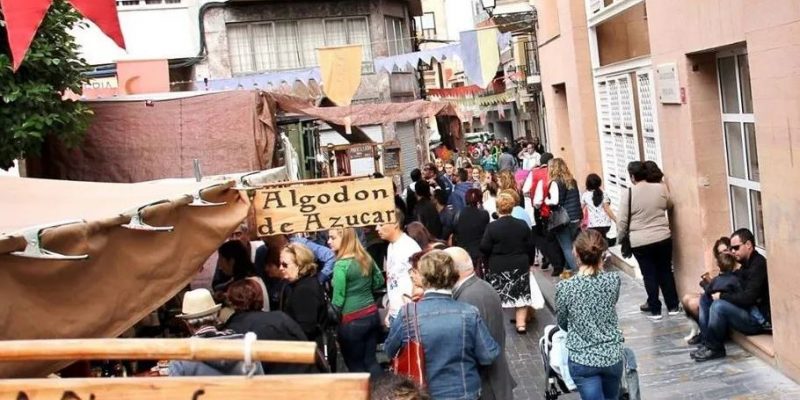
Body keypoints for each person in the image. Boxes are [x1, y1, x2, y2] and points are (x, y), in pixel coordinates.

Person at [384, 251, 500, 400]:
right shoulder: (469, 313)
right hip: (464, 392)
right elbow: (488, 355)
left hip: (422, 393)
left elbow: (389, 350)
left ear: (423, 277)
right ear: (453, 276)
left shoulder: (407, 313)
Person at [555, 230, 623, 400]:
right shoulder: (613, 280)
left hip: (582, 357)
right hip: (611, 354)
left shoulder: (566, 287)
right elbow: (610, 305)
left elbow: (562, 322)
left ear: (576, 253)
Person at [446, 247, 516, 400]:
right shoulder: (480, 287)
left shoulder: (469, 298)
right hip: (493, 381)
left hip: (487, 386)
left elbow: (477, 348)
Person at [692, 228, 770, 362]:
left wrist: (722, 296)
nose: (733, 251)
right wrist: (712, 287)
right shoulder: (745, 264)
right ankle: (707, 343)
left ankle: (716, 349)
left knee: (718, 306)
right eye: (731, 248)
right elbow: (733, 282)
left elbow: (747, 298)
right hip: (747, 312)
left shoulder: (758, 265)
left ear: (748, 245)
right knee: (706, 298)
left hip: (757, 320)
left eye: (735, 248)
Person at [617, 161, 679, 320]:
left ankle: (655, 308)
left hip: (640, 241)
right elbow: (669, 205)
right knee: (666, 270)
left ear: (632, 176)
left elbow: (622, 221)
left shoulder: (628, 193)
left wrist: (621, 238)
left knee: (649, 274)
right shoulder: (660, 188)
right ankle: (673, 305)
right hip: (662, 237)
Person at [327, 227, 384, 377]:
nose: (329, 241)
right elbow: (379, 281)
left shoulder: (341, 265)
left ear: (344, 238)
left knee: (356, 368)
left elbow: (338, 301)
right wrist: (363, 287)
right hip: (372, 314)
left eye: (333, 238)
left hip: (351, 321)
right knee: (371, 361)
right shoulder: (366, 258)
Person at [224, 280, 313, 374]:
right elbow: (304, 343)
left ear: (231, 301)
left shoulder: (233, 330)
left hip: (268, 384)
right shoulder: (280, 318)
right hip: (304, 377)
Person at [169, 288, 265, 376]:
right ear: (216, 316)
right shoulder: (247, 348)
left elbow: (174, 393)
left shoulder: (181, 358)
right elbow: (261, 387)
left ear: (187, 324)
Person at [480, 190, 536, 334]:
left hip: (498, 265)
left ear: (498, 208)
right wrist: (530, 261)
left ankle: (497, 324)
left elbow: (484, 247)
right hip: (520, 263)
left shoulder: (492, 227)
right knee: (521, 295)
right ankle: (521, 324)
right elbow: (530, 245)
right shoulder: (522, 225)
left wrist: (487, 262)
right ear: (512, 207)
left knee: (499, 295)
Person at [377, 209, 422, 323]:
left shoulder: (409, 247)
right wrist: (390, 310)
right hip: (396, 313)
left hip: (409, 315)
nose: (377, 228)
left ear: (395, 223)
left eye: (381, 224)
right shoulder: (390, 246)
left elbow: (421, 281)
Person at [680, 237, 732, 329]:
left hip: (722, 297)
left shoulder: (734, 264)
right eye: (721, 252)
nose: (726, 254)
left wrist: (707, 285)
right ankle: (702, 330)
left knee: (693, 304)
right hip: (714, 294)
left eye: (727, 250)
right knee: (686, 298)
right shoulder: (723, 264)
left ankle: (706, 332)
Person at [278, 243, 325, 344]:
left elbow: (306, 328)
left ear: (299, 265)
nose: (280, 268)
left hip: (309, 349)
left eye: (285, 264)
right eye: (280, 264)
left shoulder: (304, 290)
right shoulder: (296, 284)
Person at [545, 158, 582, 278]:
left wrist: (547, 200)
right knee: (573, 245)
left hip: (563, 219)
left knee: (566, 247)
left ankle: (577, 273)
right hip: (576, 216)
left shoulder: (556, 182)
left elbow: (555, 201)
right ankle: (569, 270)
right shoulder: (572, 181)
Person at [529, 153, 565, 274]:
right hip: (562, 214)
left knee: (550, 240)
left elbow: (537, 200)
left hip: (546, 213)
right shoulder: (563, 177)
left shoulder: (537, 175)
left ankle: (557, 265)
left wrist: (537, 204)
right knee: (561, 238)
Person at [214, 240, 269, 311]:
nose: (220, 267)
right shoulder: (250, 279)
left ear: (231, 261)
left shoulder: (250, 284)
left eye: (221, 260)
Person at [453, 188, 490, 273]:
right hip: (478, 254)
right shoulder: (484, 214)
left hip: (463, 252)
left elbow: (455, 231)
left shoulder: (458, 214)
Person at [582, 173, 617, 242]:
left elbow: (581, 209)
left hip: (593, 225)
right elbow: (607, 209)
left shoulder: (585, 195)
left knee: (596, 242)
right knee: (603, 240)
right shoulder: (604, 193)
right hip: (605, 224)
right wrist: (616, 220)